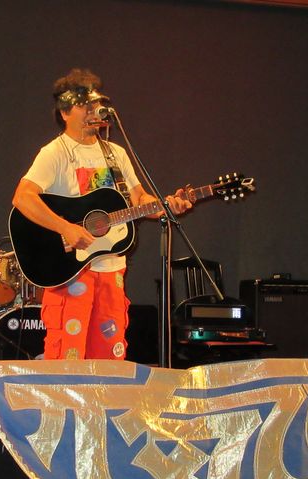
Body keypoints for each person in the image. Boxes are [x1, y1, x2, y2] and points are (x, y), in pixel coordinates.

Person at [12, 68, 191, 360]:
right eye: (84, 105)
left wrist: (167, 204)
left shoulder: (115, 153)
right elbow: (23, 197)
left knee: (110, 358)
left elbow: (139, 198)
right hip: (71, 270)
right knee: (68, 357)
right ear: (65, 112)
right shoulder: (54, 153)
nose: (93, 110)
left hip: (111, 269)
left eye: (95, 104)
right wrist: (65, 228)